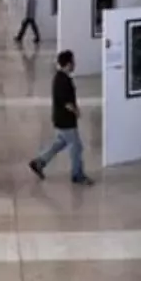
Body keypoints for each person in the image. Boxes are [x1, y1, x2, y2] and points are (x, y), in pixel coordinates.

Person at [28, 50, 92, 185]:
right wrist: (76, 112)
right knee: (77, 148)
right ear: (68, 64)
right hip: (66, 121)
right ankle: (77, 174)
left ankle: (39, 162)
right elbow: (66, 102)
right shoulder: (63, 81)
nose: (75, 64)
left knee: (59, 144)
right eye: (73, 62)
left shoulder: (60, 77)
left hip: (60, 119)